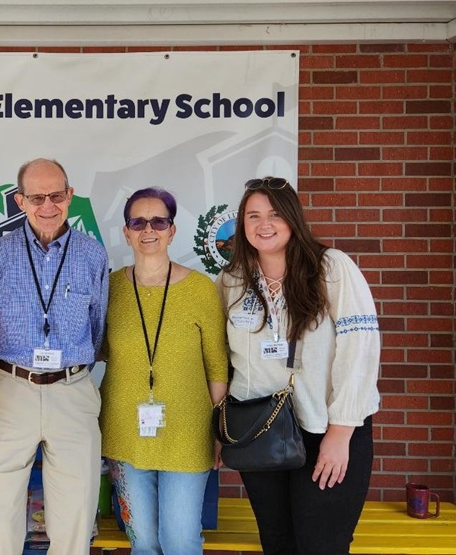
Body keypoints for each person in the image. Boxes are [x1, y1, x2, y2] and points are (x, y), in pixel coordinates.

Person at [215, 177, 380, 555]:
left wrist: (340, 435)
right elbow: (219, 358)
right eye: (253, 216)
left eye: (274, 214)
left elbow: (360, 350)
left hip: (326, 428)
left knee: (322, 545)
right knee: (277, 543)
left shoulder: (331, 268)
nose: (264, 224)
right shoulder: (231, 281)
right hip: (261, 432)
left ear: (293, 218)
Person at [0, 158, 109, 555]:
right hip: (10, 389)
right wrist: (8, 375)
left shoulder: (92, 255)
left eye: (56, 195)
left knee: (76, 514)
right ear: (20, 201)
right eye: (36, 197)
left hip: (73, 390)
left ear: (69, 197)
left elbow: (97, 327)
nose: (47, 205)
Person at [99, 187, 228, 555]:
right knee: (143, 543)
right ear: (126, 232)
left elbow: (217, 367)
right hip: (124, 433)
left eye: (159, 221)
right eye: (138, 222)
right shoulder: (109, 289)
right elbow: (98, 351)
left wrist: (218, 431)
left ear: (172, 230)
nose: (148, 229)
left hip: (188, 435)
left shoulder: (201, 289)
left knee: (180, 541)